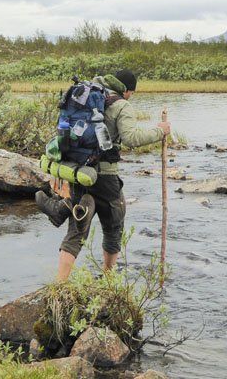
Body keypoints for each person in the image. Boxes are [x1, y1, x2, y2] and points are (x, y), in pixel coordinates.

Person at [36, 69, 170, 280]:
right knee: (114, 227)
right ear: (125, 89)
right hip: (106, 177)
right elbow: (131, 138)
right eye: (131, 92)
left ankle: (59, 284)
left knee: (77, 230)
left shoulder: (84, 98)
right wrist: (160, 130)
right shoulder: (121, 105)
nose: (130, 96)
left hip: (79, 173)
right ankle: (108, 280)